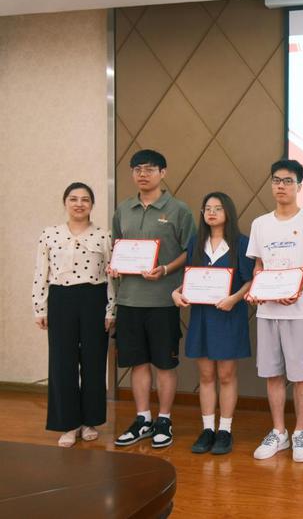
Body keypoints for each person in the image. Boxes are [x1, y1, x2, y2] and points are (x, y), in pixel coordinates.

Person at [111, 149, 196, 449]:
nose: (142, 174)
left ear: (163, 172)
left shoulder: (179, 210)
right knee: (137, 364)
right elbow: (117, 247)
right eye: (137, 169)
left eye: (149, 169)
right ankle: (143, 418)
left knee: (164, 364)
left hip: (163, 301)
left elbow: (190, 251)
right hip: (129, 300)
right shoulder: (123, 209)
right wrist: (115, 265)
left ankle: (164, 419)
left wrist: (166, 269)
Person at [245, 159, 303, 463]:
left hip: (301, 310)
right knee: (272, 373)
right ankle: (279, 431)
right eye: (276, 180)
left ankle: (300, 431)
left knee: (301, 376)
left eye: (288, 181)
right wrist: (258, 287)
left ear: (299, 186)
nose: (281, 186)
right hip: (268, 311)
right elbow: (258, 264)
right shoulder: (260, 223)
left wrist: (297, 288)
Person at [32, 182, 116, 447]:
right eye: (73, 199)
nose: (79, 204)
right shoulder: (50, 234)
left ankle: (90, 421)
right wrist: (39, 307)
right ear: (65, 202)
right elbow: (41, 272)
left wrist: (111, 309)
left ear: (92, 204)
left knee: (93, 362)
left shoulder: (104, 236)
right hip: (61, 299)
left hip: (94, 298)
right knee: (62, 363)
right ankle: (68, 424)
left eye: (85, 199)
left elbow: (111, 276)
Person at [172, 192, 253, 455]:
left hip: (229, 316)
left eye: (218, 208)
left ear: (228, 212)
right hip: (202, 317)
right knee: (206, 375)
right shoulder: (196, 242)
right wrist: (176, 292)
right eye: (207, 208)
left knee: (226, 375)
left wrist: (234, 298)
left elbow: (251, 279)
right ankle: (207, 429)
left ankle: (225, 430)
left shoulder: (241, 243)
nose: (212, 212)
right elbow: (191, 278)